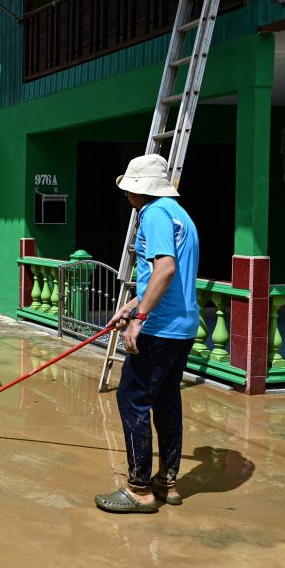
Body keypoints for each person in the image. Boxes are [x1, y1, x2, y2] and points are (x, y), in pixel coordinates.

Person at [95, 154, 200, 514]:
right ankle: (167, 482)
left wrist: (139, 318)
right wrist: (133, 304)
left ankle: (139, 488)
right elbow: (164, 275)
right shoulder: (180, 215)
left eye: (130, 190)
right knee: (167, 399)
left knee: (133, 399)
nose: (127, 196)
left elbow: (166, 269)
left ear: (141, 189)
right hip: (182, 326)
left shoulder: (153, 214)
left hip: (159, 328)